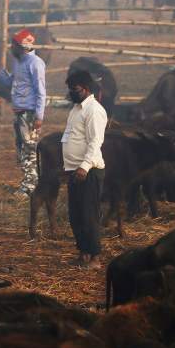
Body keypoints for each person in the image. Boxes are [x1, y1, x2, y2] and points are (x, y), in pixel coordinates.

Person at [62, 69, 108, 269]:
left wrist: (84, 166)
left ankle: (95, 257)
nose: (72, 93)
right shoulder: (76, 109)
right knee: (76, 215)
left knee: (89, 215)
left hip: (88, 171)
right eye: (70, 89)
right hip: (74, 169)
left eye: (75, 89)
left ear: (86, 89)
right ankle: (83, 253)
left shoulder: (94, 110)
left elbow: (95, 141)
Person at [0, 29, 46, 199]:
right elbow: (12, 82)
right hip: (19, 111)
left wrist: (39, 116)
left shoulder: (35, 64)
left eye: (14, 45)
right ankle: (29, 181)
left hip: (30, 112)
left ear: (22, 46)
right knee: (21, 148)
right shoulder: (18, 62)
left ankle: (30, 187)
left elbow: (41, 91)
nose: (11, 48)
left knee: (29, 148)